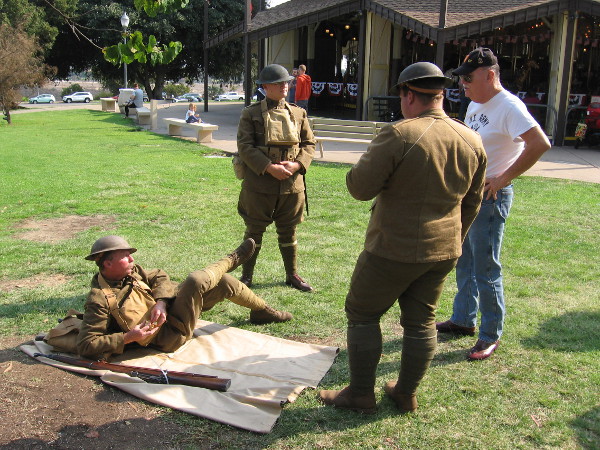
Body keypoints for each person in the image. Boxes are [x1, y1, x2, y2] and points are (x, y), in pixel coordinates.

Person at [318, 62, 487, 414]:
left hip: (391, 248)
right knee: (422, 320)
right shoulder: (471, 139)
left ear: (408, 94)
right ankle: (406, 392)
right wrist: (453, 239)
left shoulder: (400, 133)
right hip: (443, 249)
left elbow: (359, 188)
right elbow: (473, 202)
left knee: (363, 314)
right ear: (440, 95)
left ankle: (361, 394)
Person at [436, 48, 551, 361]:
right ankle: (463, 319)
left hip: (491, 197)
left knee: (486, 268)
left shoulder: (509, 106)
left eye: (468, 78)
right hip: (470, 194)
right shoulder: (476, 103)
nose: (463, 84)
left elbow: (540, 143)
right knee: (464, 259)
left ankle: (490, 335)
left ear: (490, 75)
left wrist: (502, 178)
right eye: (461, 78)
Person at [77, 235, 292, 361]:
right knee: (195, 281)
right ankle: (230, 259)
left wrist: (161, 302)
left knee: (224, 282)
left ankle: (261, 311)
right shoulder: (98, 299)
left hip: (170, 315)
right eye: (126, 257)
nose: (132, 259)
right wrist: (127, 337)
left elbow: (159, 275)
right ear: (107, 264)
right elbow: (86, 345)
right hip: (169, 336)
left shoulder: (130, 272)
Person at [236, 64, 316, 292]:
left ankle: (292, 275)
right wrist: (269, 167)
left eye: (287, 82)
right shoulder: (250, 113)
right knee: (254, 230)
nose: (285, 86)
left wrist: (298, 164)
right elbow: (245, 146)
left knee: (289, 230)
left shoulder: (299, 113)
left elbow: (309, 144)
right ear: (265, 86)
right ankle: (246, 276)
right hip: (260, 184)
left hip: (292, 184)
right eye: (279, 82)